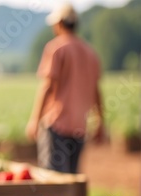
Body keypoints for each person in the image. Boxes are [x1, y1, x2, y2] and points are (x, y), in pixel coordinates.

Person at [25, 3, 105, 174]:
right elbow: (96, 92)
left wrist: (34, 120)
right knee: (71, 180)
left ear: (59, 23)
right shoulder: (90, 52)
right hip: (79, 128)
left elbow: (47, 86)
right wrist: (100, 123)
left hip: (57, 126)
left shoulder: (56, 48)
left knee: (53, 179)